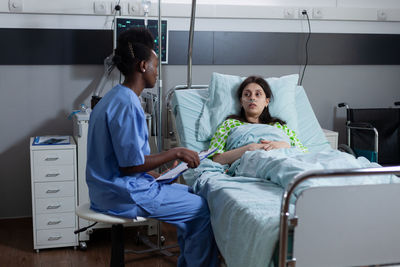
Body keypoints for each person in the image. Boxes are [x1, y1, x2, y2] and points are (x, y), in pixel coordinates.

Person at [86, 27, 219, 267]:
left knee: (192, 193)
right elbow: (130, 165)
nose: (157, 73)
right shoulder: (127, 104)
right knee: (200, 210)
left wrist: (157, 175)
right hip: (120, 194)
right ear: (142, 66)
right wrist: (176, 152)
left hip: (107, 189)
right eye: (156, 66)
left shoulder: (114, 97)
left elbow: (121, 159)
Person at [209, 76, 308, 165]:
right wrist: (249, 148)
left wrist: (284, 145)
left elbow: (303, 154)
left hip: (285, 160)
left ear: (266, 102)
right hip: (250, 165)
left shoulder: (279, 126)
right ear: (241, 102)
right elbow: (216, 159)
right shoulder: (229, 124)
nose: (252, 98)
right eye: (247, 94)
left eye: (258, 94)